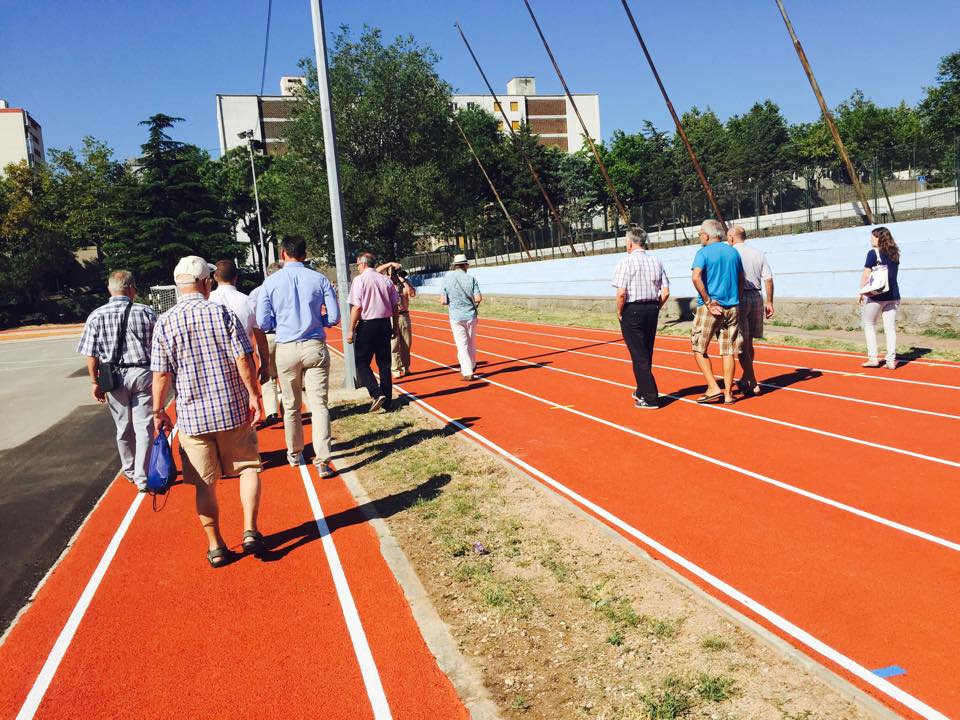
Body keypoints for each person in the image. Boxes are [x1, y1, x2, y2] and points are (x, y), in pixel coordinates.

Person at [151, 257, 264, 568]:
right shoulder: (222, 313)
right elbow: (243, 359)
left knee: (204, 484)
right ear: (205, 282)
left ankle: (216, 546)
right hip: (231, 409)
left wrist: (158, 410)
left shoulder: (165, 322)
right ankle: (250, 530)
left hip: (192, 416)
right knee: (248, 468)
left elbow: (161, 375)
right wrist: (254, 395)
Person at [257, 237, 340, 476]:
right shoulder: (319, 279)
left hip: (286, 347)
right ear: (305, 254)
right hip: (314, 345)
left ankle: (295, 453)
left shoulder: (270, 283)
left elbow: (262, 322)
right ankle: (322, 459)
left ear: (283, 254)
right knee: (319, 404)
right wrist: (318, 321)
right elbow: (334, 317)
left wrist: (279, 323)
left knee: (291, 405)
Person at [77, 270, 157, 492]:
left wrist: (95, 382)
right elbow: (158, 345)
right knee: (144, 426)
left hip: (113, 376)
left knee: (123, 426)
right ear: (131, 288)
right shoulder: (146, 312)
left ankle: (129, 470)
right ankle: (142, 476)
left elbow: (91, 355)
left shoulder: (96, 315)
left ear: (110, 289)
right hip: (142, 371)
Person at [612, 229, 670, 409]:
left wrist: (619, 311)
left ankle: (651, 397)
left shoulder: (625, 262)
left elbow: (621, 293)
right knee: (646, 352)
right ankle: (641, 390)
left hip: (633, 310)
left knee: (638, 355)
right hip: (652, 308)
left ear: (630, 243)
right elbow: (666, 292)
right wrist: (655, 307)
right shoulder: (656, 261)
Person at [691, 219, 744, 405]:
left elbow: (696, 277)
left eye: (700, 234)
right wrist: (737, 298)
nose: (699, 237)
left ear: (706, 236)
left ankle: (713, 387)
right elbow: (741, 278)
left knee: (698, 347)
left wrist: (707, 300)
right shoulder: (733, 252)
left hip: (711, 307)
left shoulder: (703, 253)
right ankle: (728, 394)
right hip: (733, 306)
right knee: (728, 350)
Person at [209, 259, 270, 397]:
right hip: (244, 357)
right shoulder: (249, 301)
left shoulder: (207, 300)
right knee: (247, 399)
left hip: (214, 358)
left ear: (215, 277)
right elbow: (261, 340)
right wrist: (265, 366)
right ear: (236, 277)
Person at [347, 252, 400, 411]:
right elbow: (395, 306)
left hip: (367, 325)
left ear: (363, 264)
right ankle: (387, 402)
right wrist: (395, 327)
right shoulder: (386, 280)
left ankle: (376, 393)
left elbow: (357, 307)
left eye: (357, 264)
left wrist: (350, 329)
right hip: (384, 324)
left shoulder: (359, 280)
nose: (357, 267)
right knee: (384, 364)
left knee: (362, 362)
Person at [727, 225, 774, 395]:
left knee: (741, 344)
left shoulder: (731, 253)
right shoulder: (758, 253)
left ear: (731, 237)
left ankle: (753, 382)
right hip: (756, 296)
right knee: (750, 342)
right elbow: (768, 279)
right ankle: (745, 377)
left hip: (740, 297)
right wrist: (769, 302)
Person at [859, 226, 901, 369]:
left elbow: (866, 276)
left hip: (877, 295)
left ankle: (873, 358)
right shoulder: (895, 253)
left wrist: (861, 292)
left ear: (880, 238)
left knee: (869, 324)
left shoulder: (872, 253)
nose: (871, 239)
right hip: (893, 295)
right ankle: (890, 360)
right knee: (890, 328)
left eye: (873, 236)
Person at [248, 261, 284, 421]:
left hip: (264, 336)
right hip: (283, 336)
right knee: (286, 374)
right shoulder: (286, 289)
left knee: (267, 374)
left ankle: (271, 411)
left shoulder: (256, 292)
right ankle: (287, 409)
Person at [440, 253, 482, 381]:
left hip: (456, 316)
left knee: (462, 344)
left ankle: (467, 371)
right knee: (471, 342)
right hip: (470, 315)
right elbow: (478, 298)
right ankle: (472, 365)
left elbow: (443, 301)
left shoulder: (447, 279)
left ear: (455, 265)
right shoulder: (471, 279)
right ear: (465, 265)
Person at [377, 261, 416, 377]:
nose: (394, 275)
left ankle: (406, 367)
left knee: (406, 343)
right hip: (390, 316)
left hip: (403, 315)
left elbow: (412, 294)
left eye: (395, 272)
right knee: (393, 344)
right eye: (392, 272)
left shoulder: (404, 283)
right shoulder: (385, 282)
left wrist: (403, 281)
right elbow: (376, 271)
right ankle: (396, 369)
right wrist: (390, 264)